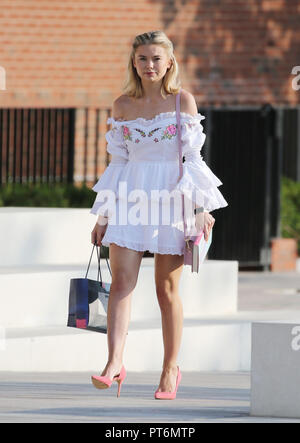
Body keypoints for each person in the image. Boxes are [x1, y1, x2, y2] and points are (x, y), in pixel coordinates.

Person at [90, 31, 228, 399]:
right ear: (133, 63)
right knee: (121, 285)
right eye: (142, 59)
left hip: (172, 201)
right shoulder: (122, 106)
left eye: (155, 59)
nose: (149, 65)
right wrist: (103, 215)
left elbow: (193, 160)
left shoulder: (183, 102)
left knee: (166, 290)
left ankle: (170, 369)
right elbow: (117, 163)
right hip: (129, 200)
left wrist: (200, 208)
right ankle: (115, 362)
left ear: (169, 62)